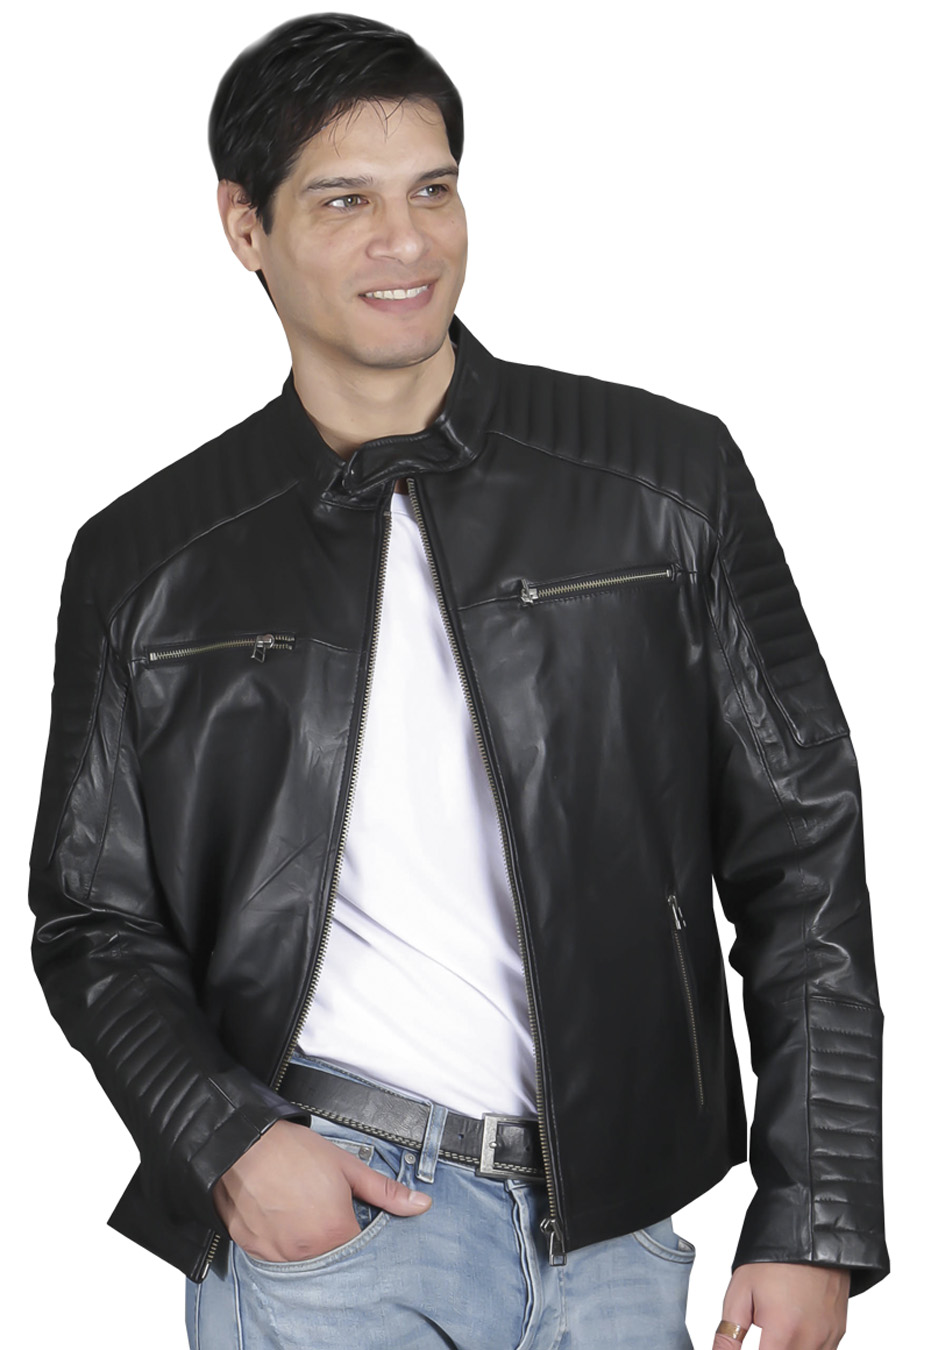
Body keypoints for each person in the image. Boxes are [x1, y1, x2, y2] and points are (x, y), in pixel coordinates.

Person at [28, 12, 888, 1349]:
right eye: (346, 202)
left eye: (432, 190)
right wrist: (227, 1139)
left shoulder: (664, 480)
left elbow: (803, 850)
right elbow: (93, 916)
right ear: (244, 225)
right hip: (333, 1230)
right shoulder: (149, 558)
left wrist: (814, 1210)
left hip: (617, 1229)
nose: (408, 241)